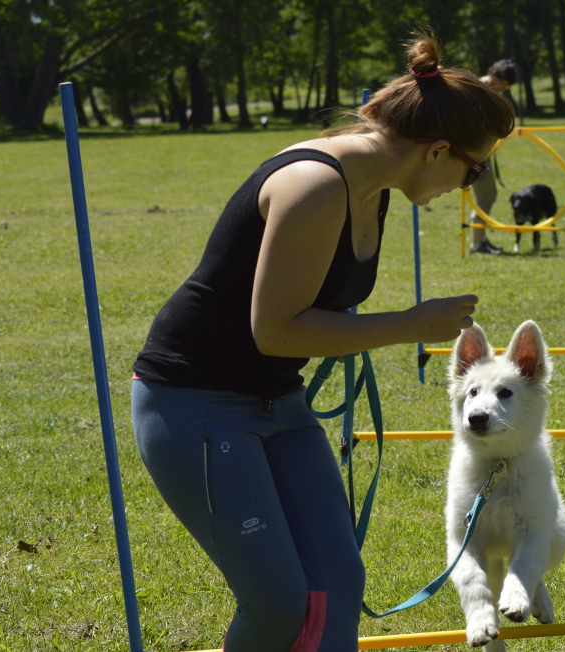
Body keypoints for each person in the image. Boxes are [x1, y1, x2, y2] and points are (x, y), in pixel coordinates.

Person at [130, 32, 515, 652]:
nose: (469, 186)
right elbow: (276, 329)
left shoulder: (375, 187)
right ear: (438, 150)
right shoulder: (316, 183)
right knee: (278, 602)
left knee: (337, 581)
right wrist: (411, 324)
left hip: (276, 400)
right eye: (475, 171)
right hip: (192, 399)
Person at [468, 58, 517, 254]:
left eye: (508, 86)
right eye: (503, 83)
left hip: (483, 153)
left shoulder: (491, 93)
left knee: (489, 195)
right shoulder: (477, 90)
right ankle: (477, 244)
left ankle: (481, 240)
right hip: (474, 155)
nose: (504, 88)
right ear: (494, 74)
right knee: (485, 197)